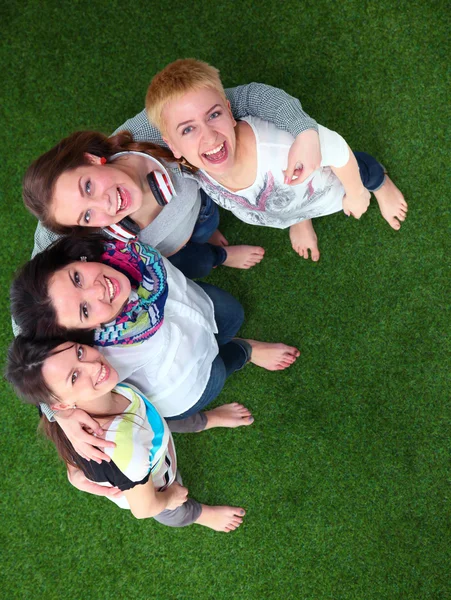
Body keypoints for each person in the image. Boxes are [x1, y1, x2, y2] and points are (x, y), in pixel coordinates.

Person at [10, 235, 299, 460]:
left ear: (71, 259)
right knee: (222, 368)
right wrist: (57, 413)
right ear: (77, 333)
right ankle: (246, 351)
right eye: (85, 310)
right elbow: (43, 376)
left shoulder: (117, 250)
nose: (98, 290)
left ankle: (235, 338)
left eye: (77, 278)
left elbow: (50, 203)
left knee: (231, 314)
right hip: (188, 382)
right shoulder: (93, 359)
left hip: (194, 305)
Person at [27, 82, 325, 276]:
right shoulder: (84, 227)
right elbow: (37, 271)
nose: (104, 204)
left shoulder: (149, 129)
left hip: (202, 206)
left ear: (91, 159)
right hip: (175, 247)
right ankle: (217, 249)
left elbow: (246, 98)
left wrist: (304, 131)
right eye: (87, 214)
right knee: (197, 257)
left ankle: (298, 214)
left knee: (212, 215)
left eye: (88, 186)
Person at [145, 59, 408, 262]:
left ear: (229, 109)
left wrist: (356, 193)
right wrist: (295, 217)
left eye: (213, 115)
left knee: (363, 171)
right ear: (173, 146)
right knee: (288, 204)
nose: (209, 136)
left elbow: (338, 149)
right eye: (188, 129)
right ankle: (299, 219)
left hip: (333, 184)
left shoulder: (280, 144)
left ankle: (380, 183)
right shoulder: (193, 168)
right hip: (290, 207)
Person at [6, 336, 251, 532]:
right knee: (171, 512)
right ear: (60, 405)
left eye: (79, 352)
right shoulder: (123, 449)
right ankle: (200, 515)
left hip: (148, 427)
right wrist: (170, 498)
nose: (93, 365)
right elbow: (144, 508)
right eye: (74, 376)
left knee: (166, 419)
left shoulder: (87, 397)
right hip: (156, 482)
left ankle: (208, 420)